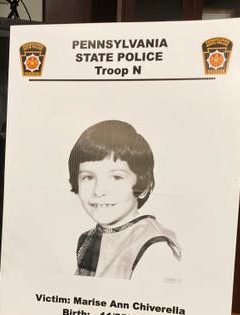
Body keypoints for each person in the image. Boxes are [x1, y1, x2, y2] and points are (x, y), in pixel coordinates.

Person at [68, 119, 181, 280]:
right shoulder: (87, 240)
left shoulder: (153, 248)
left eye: (116, 177)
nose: (99, 190)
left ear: (143, 186)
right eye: (88, 177)